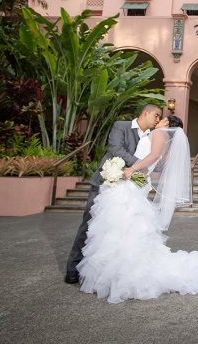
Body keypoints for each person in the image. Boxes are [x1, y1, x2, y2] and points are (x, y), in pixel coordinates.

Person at [76, 115, 198, 303]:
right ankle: (119, 271)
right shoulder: (163, 139)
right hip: (138, 182)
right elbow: (157, 162)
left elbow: (153, 157)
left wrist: (131, 169)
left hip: (132, 180)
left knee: (122, 223)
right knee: (126, 225)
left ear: (167, 125)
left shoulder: (159, 134)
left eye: (161, 119)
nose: (158, 121)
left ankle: (120, 273)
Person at [64, 103, 163, 284]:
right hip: (105, 183)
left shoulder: (152, 136)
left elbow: (156, 159)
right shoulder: (121, 126)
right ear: (146, 112)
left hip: (126, 190)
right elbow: (115, 149)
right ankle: (73, 267)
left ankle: (102, 270)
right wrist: (139, 166)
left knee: (115, 230)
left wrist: (140, 170)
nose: (157, 120)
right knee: (89, 223)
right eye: (156, 115)